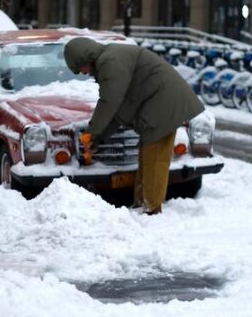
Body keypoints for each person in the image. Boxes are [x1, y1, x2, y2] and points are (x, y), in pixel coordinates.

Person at [64, 37, 205, 215]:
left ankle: (152, 210)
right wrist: (98, 138)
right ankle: (142, 204)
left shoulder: (110, 61)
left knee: (155, 158)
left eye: (80, 68)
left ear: (85, 58)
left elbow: (109, 102)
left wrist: (92, 132)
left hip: (163, 103)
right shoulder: (110, 59)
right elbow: (118, 111)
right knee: (147, 155)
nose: (82, 73)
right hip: (158, 103)